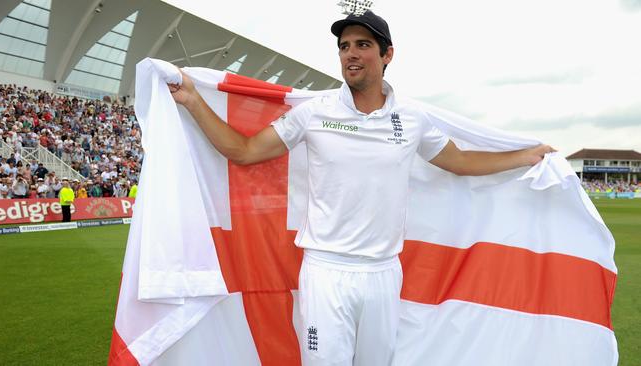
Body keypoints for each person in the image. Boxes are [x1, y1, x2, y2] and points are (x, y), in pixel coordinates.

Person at [168, 10, 554, 365]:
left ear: (388, 55)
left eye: (363, 45)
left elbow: (461, 162)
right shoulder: (315, 112)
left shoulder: (412, 119)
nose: (350, 54)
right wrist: (193, 100)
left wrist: (524, 157)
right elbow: (245, 151)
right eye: (344, 46)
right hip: (326, 273)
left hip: (384, 274)